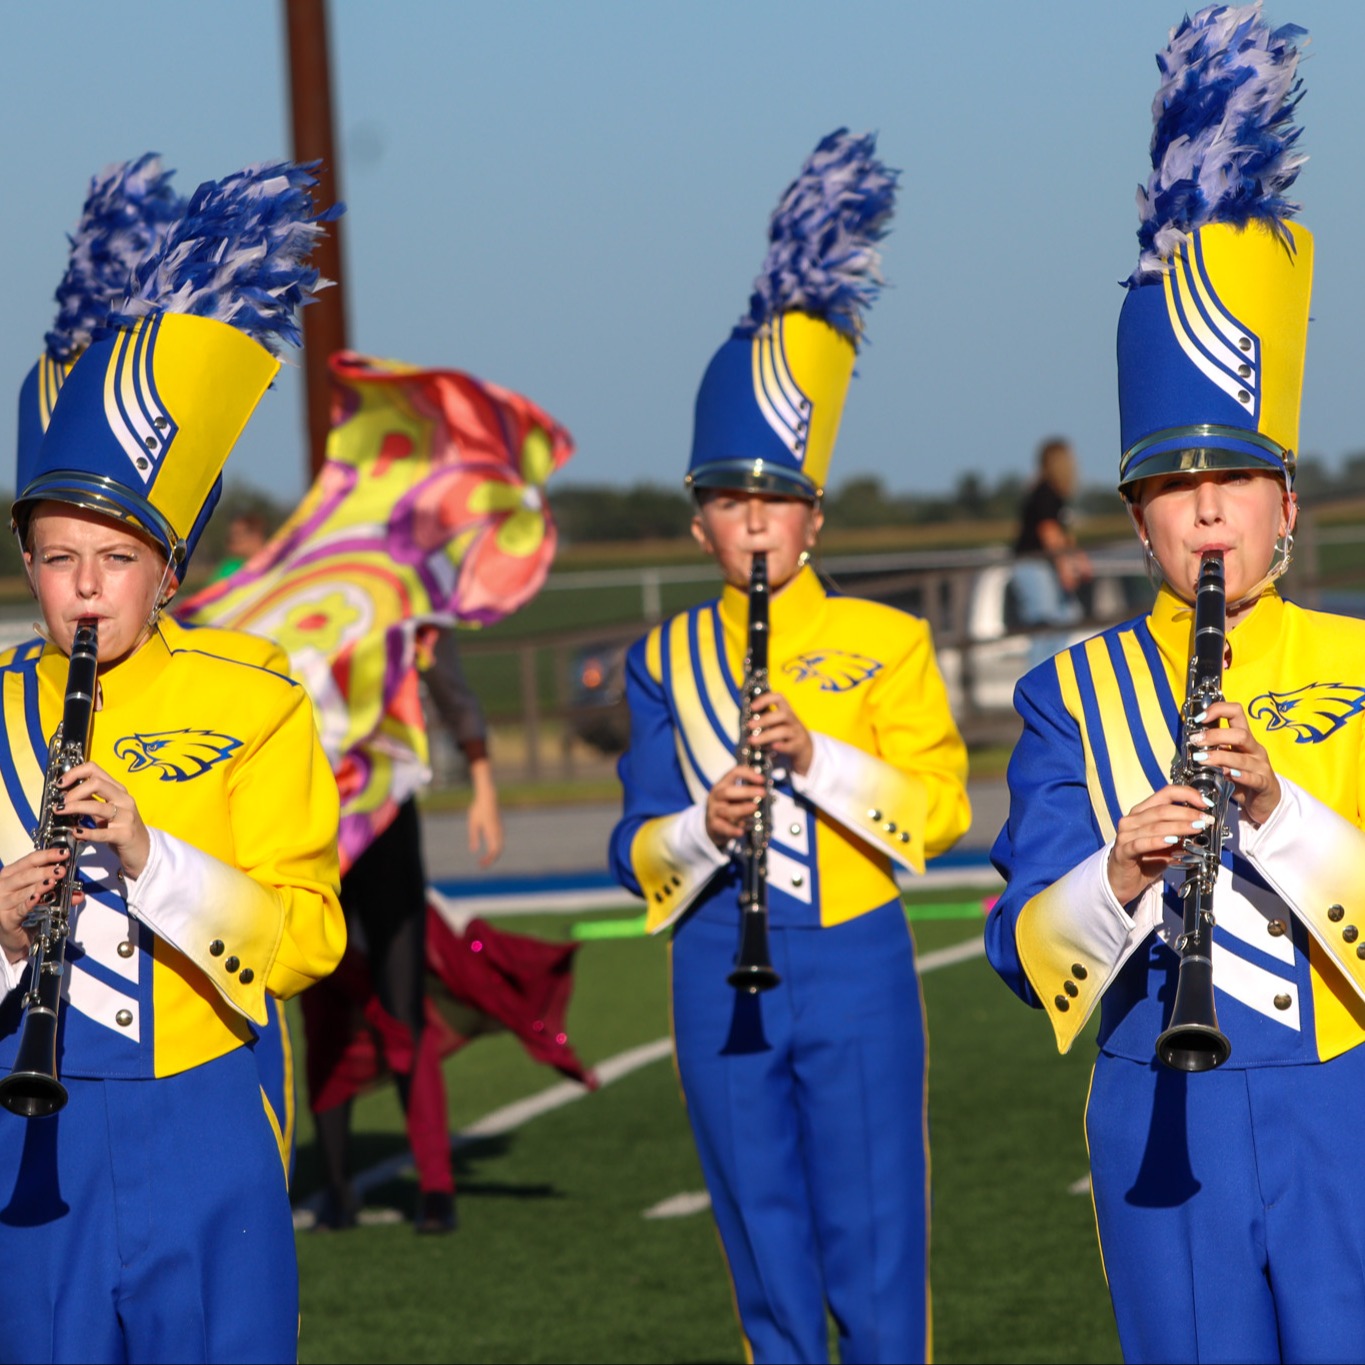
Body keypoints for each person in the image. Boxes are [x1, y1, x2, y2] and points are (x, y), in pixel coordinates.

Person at [986, 10, 1365, 1361]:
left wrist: (1274, 812)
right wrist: (1125, 877)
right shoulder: (1068, 694)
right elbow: (1017, 946)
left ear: (1284, 509)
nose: (1205, 515)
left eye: (1231, 485)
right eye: (1171, 490)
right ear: (1137, 526)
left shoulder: (1358, 663)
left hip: (1344, 1099)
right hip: (1162, 1112)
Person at [609, 131, 970, 1364]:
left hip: (857, 957)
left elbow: (942, 810)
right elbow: (630, 840)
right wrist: (694, 829)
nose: (752, 523)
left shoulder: (885, 639)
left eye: (775, 500)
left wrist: (817, 761)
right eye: (728, 502)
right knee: (761, 1243)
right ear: (700, 519)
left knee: (875, 1240)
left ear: (814, 515)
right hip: (716, 961)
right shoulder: (663, 658)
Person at [0, 162, 344, 1364]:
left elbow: (308, 940)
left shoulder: (249, 695)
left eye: (114, 555)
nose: (85, 587)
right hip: (27, 1131)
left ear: (170, 565)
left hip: (206, 1106)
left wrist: (152, 859)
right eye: (55, 557)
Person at [306, 626, 505, 1234]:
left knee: (403, 1007)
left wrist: (483, 785)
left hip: (386, 813)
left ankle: (436, 1187)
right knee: (323, 1009)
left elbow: (452, 691)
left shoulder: (407, 606)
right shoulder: (299, 598)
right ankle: (337, 1187)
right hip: (315, 822)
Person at [1012, 437, 1093, 639]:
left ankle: (1057, 668)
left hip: (1043, 565)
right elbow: (1049, 533)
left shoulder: (1053, 494)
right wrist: (1065, 567)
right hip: (1034, 564)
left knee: (1066, 619)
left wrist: (1080, 560)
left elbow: (1064, 534)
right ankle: (1042, 669)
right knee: (1047, 630)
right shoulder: (1045, 492)